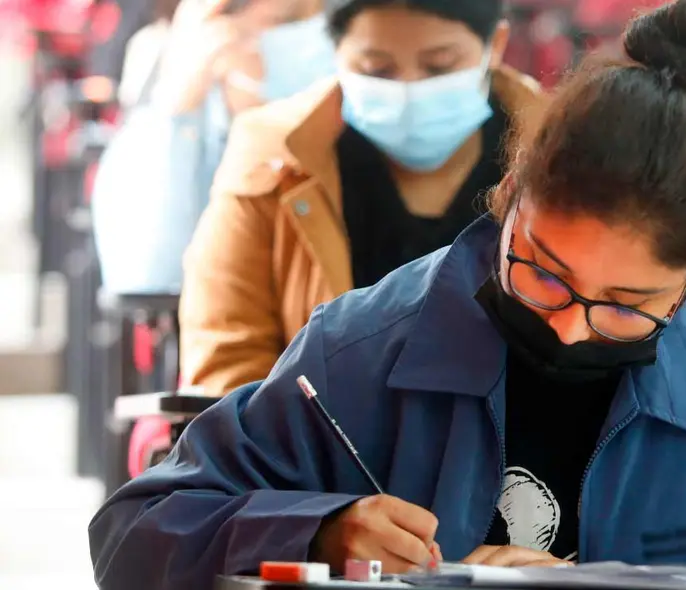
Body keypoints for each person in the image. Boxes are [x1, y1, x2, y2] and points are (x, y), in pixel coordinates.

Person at [89, 1, 686, 588]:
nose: (569, 330)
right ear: (509, 198)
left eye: (625, 306)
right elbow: (133, 535)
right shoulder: (362, 349)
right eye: (544, 274)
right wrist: (320, 532)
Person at [177, 0, 542, 396]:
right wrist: (291, 430)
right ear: (334, 49)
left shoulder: (559, 152)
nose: (408, 90)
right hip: (311, 432)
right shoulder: (273, 158)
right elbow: (229, 357)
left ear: (495, 44)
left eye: (439, 66)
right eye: (376, 69)